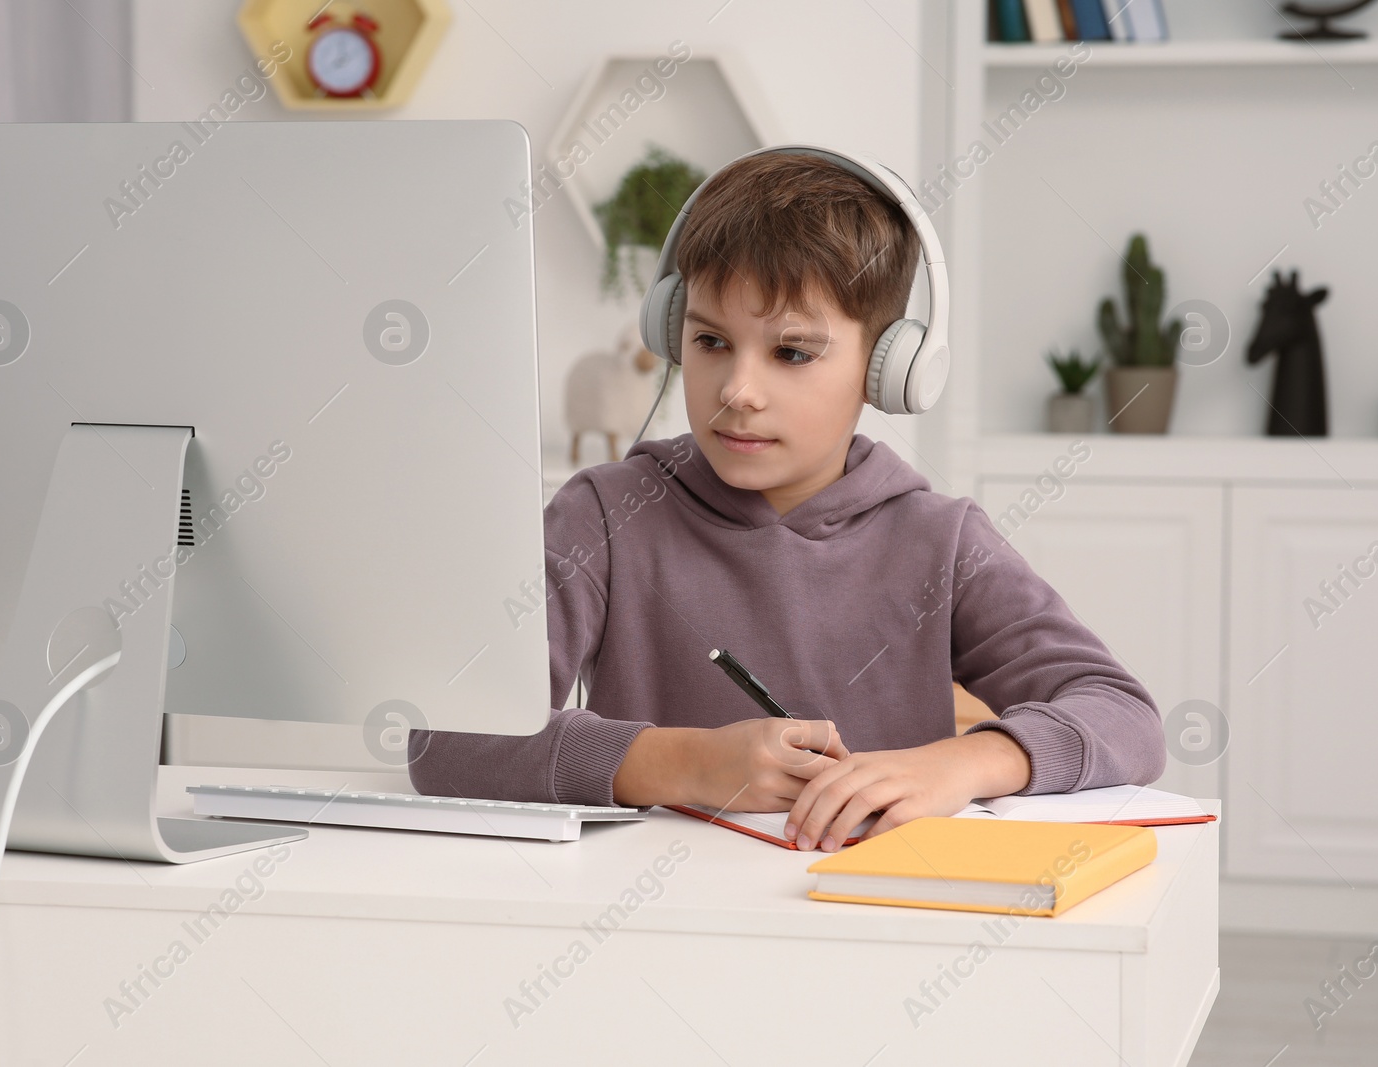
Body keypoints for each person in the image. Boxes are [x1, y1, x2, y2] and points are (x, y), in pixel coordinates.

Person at [408, 148, 1164, 852]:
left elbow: (1126, 716)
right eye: (709, 342)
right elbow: (442, 740)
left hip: (870, 928)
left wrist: (960, 765)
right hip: (651, 931)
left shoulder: (942, 541)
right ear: (672, 332)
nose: (738, 389)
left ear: (888, 369)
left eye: (791, 353)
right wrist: (680, 762)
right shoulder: (605, 514)